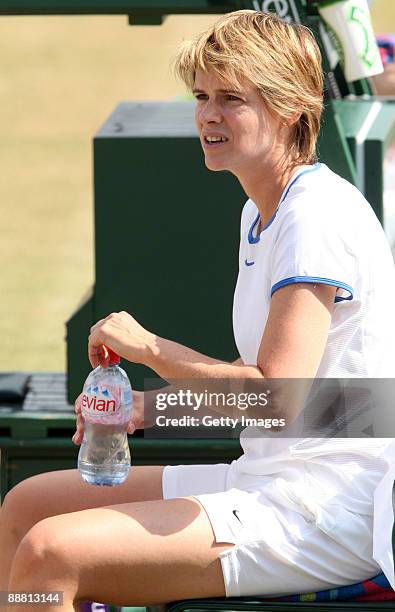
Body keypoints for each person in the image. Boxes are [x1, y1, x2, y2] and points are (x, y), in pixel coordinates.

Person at [1, 9, 395, 610]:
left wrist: (149, 348)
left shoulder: (313, 217)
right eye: (202, 95)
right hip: (269, 479)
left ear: (291, 108)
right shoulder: (267, 209)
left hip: (327, 508)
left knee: (52, 553)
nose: (208, 114)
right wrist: (144, 409)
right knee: (26, 507)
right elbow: (278, 378)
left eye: (231, 98)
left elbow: (272, 398)